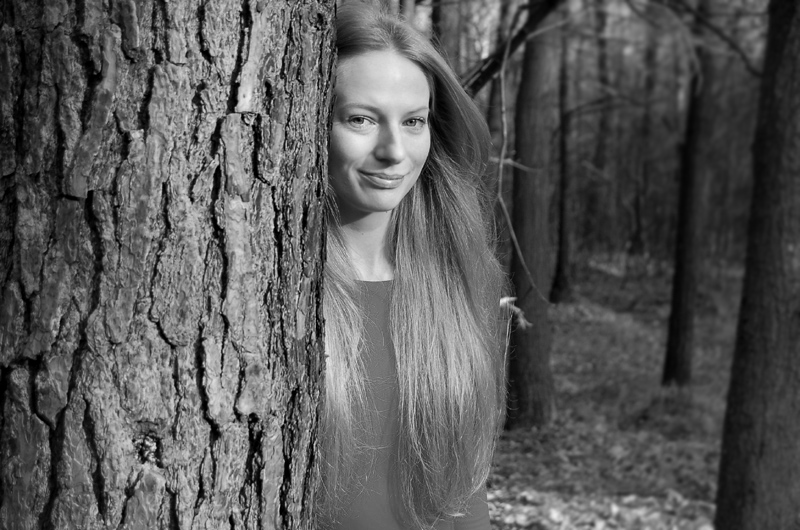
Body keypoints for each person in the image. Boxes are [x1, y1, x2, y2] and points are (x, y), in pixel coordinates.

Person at [318, 3, 507, 529]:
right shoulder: (267, 290)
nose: (394, 151)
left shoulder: (461, 278)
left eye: (413, 121)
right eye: (360, 119)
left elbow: (463, 488)